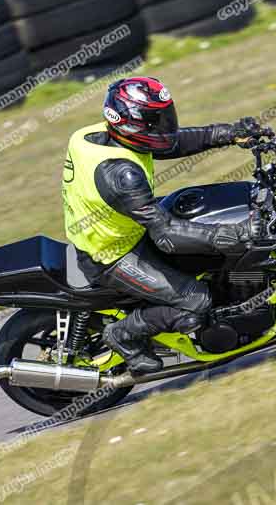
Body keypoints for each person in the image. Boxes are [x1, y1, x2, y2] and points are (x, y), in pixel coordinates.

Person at [62, 76, 263, 374]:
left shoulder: (95, 135)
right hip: (111, 255)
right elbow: (167, 235)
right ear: (130, 124)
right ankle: (122, 335)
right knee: (196, 300)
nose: (163, 126)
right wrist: (237, 234)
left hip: (123, 226)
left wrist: (230, 133)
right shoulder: (121, 175)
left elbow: (172, 142)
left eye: (164, 116)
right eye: (154, 121)